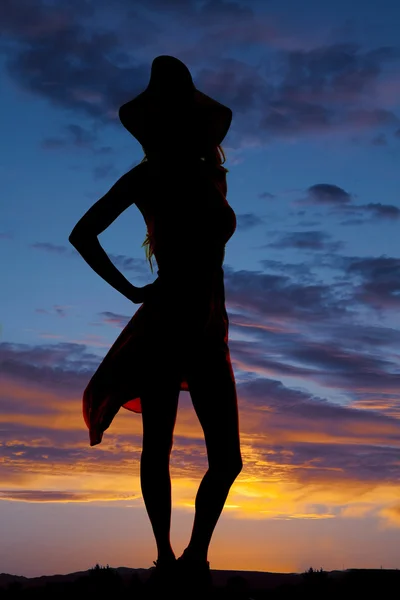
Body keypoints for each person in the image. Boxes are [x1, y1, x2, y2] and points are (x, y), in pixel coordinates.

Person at [68, 55, 242, 590]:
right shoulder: (148, 175)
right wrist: (131, 290)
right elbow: (83, 233)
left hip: (210, 324)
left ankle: (193, 557)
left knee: (228, 459)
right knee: (158, 445)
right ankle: (169, 561)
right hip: (167, 321)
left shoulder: (213, 176)